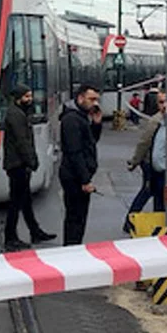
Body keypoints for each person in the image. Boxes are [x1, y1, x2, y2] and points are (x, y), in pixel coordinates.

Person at [1, 83, 56, 250]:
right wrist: (31, 161)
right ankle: (10, 237)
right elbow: (22, 141)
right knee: (16, 202)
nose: (30, 100)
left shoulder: (18, 113)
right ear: (18, 99)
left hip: (18, 163)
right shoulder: (16, 115)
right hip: (18, 164)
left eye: (30, 96)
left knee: (25, 201)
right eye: (26, 97)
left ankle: (35, 231)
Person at [59, 84, 103, 246]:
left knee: (79, 216)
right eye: (91, 99)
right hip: (74, 176)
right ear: (80, 98)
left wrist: (96, 124)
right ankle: (71, 249)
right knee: (75, 217)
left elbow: (90, 143)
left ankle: (74, 247)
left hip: (78, 174)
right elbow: (74, 152)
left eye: (97, 100)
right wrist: (85, 180)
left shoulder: (82, 116)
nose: (95, 103)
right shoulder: (71, 119)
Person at [125, 90, 165, 232]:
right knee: (147, 191)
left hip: (160, 164)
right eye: (161, 102)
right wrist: (135, 161)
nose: (164, 105)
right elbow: (144, 142)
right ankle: (130, 220)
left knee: (157, 193)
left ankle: (158, 220)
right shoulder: (156, 120)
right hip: (150, 164)